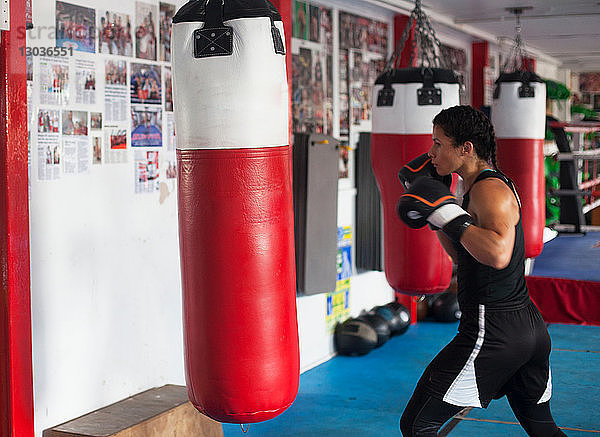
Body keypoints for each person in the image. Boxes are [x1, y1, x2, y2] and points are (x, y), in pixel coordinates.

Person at [397, 105, 566, 437]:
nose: (431, 153)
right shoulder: (473, 189)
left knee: (418, 425)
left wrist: (447, 213)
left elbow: (498, 254)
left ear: (466, 149)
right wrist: (437, 215)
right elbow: (465, 255)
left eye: (438, 143)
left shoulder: (490, 190)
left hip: (494, 330)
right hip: (523, 327)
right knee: (542, 428)